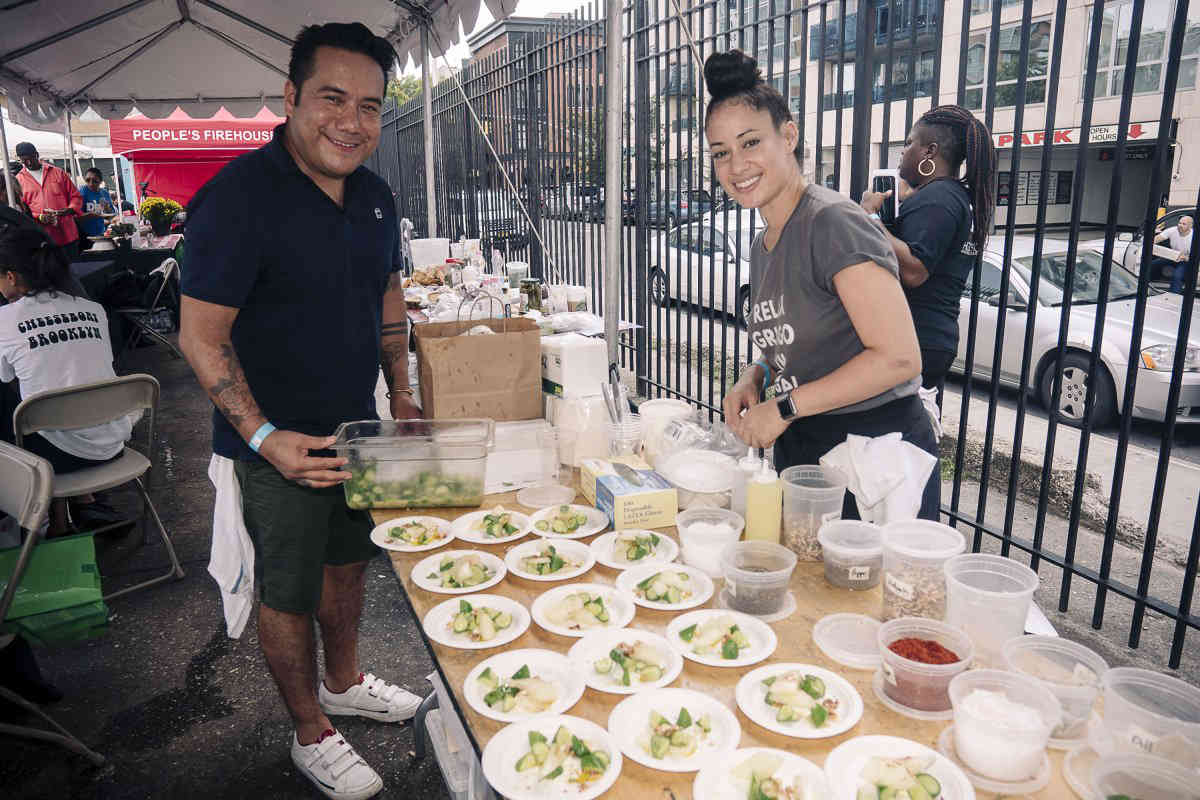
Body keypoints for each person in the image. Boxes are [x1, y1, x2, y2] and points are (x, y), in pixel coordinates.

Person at [179, 22, 421, 800]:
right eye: (332, 98)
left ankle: (343, 682)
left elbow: (388, 293)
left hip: (355, 427)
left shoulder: (375, 195)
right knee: (286, 589)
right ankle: (309, 729)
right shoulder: (236, 200)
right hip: (274, 444)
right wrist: (265, 437)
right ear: (290, 97)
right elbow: (200, 337)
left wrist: (402, 390)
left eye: (369, 106)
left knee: (347, 565)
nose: (351, 122)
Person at [709, 50, 938, 521]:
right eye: (721, 153)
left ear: (788, 136)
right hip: (806, 451)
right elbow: (801, 340)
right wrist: (756, 376)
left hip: (872, 462)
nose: (737, 165)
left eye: (750, 142)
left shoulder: (832, 222)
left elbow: (898, 358)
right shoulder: (763, 244)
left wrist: (783, 407)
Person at [860, 105, 997, 410]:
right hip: (931, 337)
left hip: (915, 336)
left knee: (888, 431)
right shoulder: (955, 197)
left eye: (909, 143)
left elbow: (914, 271)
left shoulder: (939, 198)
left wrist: (869, 216)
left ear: (930, 151)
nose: (903, 151)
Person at [0, 225, 131, 534]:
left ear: (11, 276)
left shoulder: (5, 320)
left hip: (54, 459)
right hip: (112, 445)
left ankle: (42, 521)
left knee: (13, 405)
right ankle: (77, 510)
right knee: (53, 400)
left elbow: (5, 377)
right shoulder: (93, 309)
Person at [13, 143, 83, 260]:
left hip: (67, 235)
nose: (28, 163)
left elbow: (76, 196)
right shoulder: (19, 180)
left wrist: (70, 209)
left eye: (31, 158)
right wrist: (39, 216)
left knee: (73, 268)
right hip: (42, 239)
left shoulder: (58, 172)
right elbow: (22, 209)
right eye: (24, 161)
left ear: (37, 155)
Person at [1152, 215, 1193, 294]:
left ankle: (1174, 296)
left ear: (1190, 226)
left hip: (1185, 260)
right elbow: (1157, 238)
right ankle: (1147, 286)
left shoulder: (1194, 237)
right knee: (1152, 265)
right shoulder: (1173, 230)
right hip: (1173, 256)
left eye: (1184, 224)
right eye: (1179, 223)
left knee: (1177, 276)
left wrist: (1185, 258)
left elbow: (1195, 257)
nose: (1180, 225)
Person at [78, 167, 115, 241]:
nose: (91, 183)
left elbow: (110, 214)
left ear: (100, 181)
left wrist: (107, 208)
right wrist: (89, 215)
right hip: (84, 236)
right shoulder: (81, 192)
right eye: (88, 180)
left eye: (95, 181)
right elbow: (75, 216)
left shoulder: (104, 193)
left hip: (101, 233)